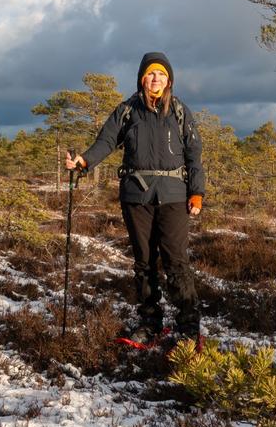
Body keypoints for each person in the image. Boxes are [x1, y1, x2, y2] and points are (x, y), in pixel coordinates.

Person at [65, 52, 205, 344]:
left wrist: (196, 192)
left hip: (174, 196)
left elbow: (194, 155)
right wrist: (84, 161)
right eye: (151, 73)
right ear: (142, 78)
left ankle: (188, 327)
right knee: (144, 262)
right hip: (136, 195)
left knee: (176, 262)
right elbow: (106, 141)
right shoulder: (127, 110)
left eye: (162, 74)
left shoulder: (180, 111)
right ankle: (150, 322)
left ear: (169, 80)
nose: (156, 79)